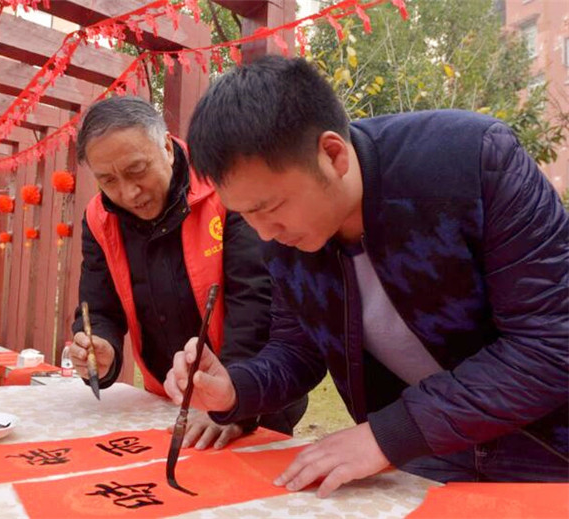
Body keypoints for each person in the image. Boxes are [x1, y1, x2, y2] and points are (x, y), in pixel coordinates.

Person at [164, 55, 569, 496]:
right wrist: (233, 390)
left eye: (270, 208)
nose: (264, 233)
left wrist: (388, 434)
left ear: (333, 154)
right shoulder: (285, 239)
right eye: (246, 214)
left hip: (548, 448)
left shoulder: (472, 160)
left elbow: (551, 344)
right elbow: (297, 349)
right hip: (431, 451)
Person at [68, 96, 307, 448]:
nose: (129, 192)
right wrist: (101, 348)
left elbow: (255, 301)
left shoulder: (225, 186)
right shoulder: (98, 217)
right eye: (108, 180)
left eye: (137, 170)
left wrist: (232, 400)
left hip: (254, 392)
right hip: (167, 400)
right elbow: (98, 306)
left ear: (165, 145)